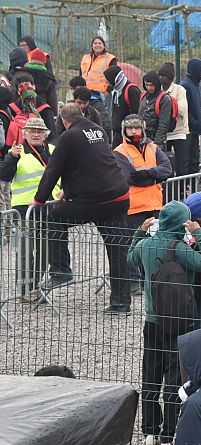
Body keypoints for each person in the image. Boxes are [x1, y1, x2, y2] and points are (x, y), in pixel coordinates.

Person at [128, 200, 201, 445]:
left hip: (153, 319)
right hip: (179, 320)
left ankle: (148, 431)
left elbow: (129, 256)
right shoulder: (178, 247)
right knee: (174, 376)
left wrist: (139, 231)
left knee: (150, 374)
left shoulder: (146, 245)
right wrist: (199, 235)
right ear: (182, 223)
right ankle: (169, 433)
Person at [34, 104, 131, 310]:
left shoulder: (69, 136)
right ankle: (121, 302)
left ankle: (61, 271)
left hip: (96, 200)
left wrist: (40, 199)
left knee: (55, 218)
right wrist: (69, 192)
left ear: (63, 120)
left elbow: (54, 170)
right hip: (118, 196)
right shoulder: (98, 130)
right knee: (117, 249)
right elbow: (89, 165)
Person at [114, 114, 173, 295]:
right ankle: (133, 281)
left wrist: (147, 173)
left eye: (137, 128)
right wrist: (154, 175)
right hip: (134, 207)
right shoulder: (119, 151)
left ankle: (151, 279)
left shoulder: (153, 147)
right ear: (124, 130)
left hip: (155, 205)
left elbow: (168, 169)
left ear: (143, 129)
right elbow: (130, 177)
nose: (134, 131)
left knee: (155, 244)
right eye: (130, 128)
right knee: (134, 245)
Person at [156, 63, 190, 176]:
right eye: (160, 75)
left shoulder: (180, 90)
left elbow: (182, 109)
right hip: (163, 133)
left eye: (164, 76)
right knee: (165, 163)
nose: (161, 78)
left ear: (170, 77)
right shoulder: (157, 90)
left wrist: (167, 105)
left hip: (179, 132)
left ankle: (182, 189)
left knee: (182, 162)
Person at [103, 65, 143, 147]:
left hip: (128, 135)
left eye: (108, 81)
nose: (107, 83)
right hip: (118, 134)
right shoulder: (117, 91)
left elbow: (136, 114)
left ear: (114, 79)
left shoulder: (131, 90)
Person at [179, 59, 201, 174]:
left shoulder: (197, 86)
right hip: (187, 130)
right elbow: (185, 110)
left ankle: (193, 186)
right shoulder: (185, 86)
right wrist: (194, 122)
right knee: (186, 161)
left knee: (195, 160)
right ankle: (184, 188)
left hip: (195, 130)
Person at [140, 71, 174, 151]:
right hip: (142, 136)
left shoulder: (164, 99)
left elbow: (164, 123)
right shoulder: (144, 96)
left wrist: (157, 143)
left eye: (151, 85)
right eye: (146, 85)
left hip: (155, 138)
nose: (149, 88)